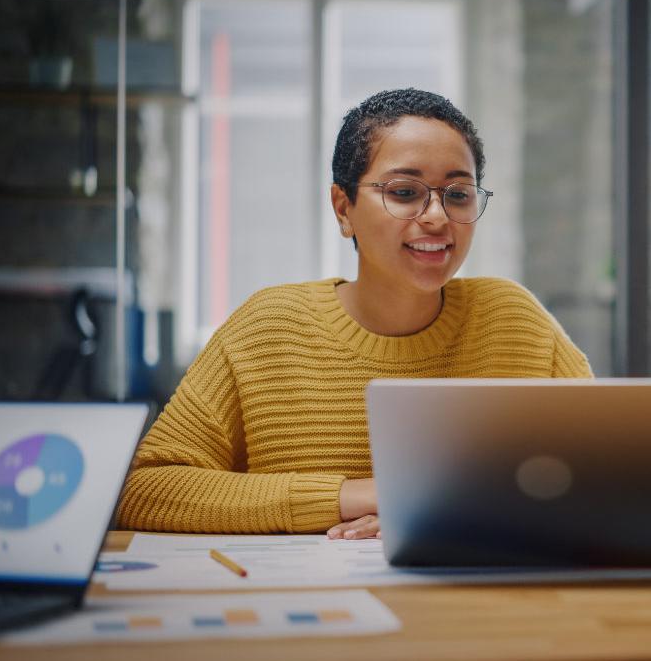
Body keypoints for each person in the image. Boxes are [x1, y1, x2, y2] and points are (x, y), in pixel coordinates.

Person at [116, 89, 592, 540]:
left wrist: (449, 506)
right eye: (405, 192)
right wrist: (357, 496)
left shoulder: (516, 320)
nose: (437, 216)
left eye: (458, 194)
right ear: (343, 208)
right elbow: (146, 490)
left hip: (477, 598)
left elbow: (601, 474)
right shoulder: (268, 328)